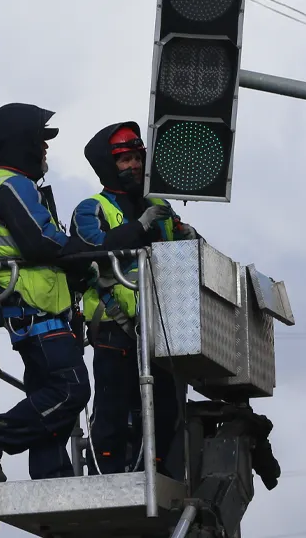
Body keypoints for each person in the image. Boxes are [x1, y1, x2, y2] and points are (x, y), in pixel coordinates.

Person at [0, 102, 92, 482]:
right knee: (71, 390)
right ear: (21, 142)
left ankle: (53, 478)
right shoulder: (11, 186)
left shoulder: (7, 186)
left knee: (46, 397)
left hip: (33, 314)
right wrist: (87, 253)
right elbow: (39, 243)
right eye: (40, 140)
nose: (46, 148)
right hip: (38, 315)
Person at [69, 121, 199, 477]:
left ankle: (154, 471)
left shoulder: (159, 205)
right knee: (112, 408)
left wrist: (189, 235)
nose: (135, 166)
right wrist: (140, 225)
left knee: (166, 408)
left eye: (138, 158)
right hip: (115, 327)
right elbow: (93, 249)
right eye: (125, 160)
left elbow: (185, 252)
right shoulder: (91, 209)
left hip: (162, 327)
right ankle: (106, 478)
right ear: (108, 165)